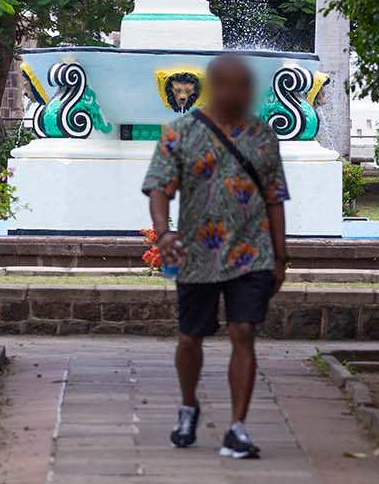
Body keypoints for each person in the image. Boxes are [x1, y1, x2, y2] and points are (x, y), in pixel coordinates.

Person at [142, 54, 288, 460]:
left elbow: (275, 199)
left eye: (243, 85)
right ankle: (188, 406)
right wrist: (164, 230)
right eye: (227, 84)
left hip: (251, 253)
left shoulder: (262, 136)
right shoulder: (180, 132)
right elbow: (159, 188)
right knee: (191, 337)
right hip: (198, 254)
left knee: (244, 333)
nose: (236, 93)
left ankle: (237, 428)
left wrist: (280, 256)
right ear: (212, 86)